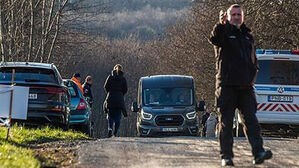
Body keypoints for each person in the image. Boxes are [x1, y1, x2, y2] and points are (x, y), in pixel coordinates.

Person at [209, 4, 272, 166]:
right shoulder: (223, 32)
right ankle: (226, 156)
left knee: (251, 121)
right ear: (229, 17)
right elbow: (215, 39)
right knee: (226, 124)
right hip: (227, 86)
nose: (236, 17)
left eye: (239, 14)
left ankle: (258, 152)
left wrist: (253, 76)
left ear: (242, 16)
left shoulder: (247, 36)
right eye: (233, 14)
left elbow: (253, 60)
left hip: (246, 87)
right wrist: (220, 24)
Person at [104, 64, 128, 138]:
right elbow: (125, 89)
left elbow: (105, 86)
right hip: (119, 99)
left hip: (111, 97)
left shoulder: (110, 77)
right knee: (118, 117)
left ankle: (110, 128)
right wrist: (121, 94)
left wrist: (109, 92)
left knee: (110, 115)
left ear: (114, 69)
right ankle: (115, 133)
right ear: (121, 70)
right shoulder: (123, 79)